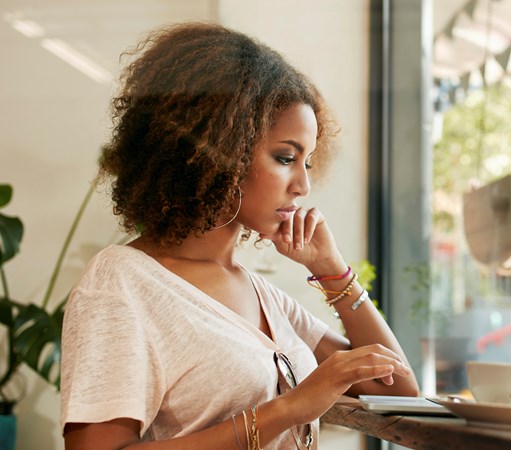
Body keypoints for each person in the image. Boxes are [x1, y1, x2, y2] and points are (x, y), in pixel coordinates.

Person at [60, 22, 419, 449]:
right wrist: (290, 408)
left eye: (307, 162)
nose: (303, 186)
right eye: (286, 157)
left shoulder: (261, 295)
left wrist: (333, 273)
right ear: (219, 151)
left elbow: (397, 388)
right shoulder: (122, 283)